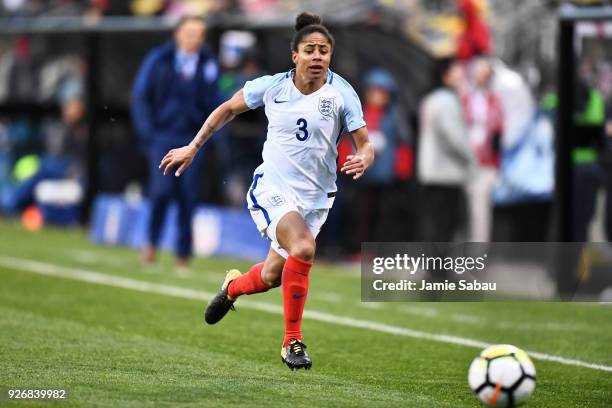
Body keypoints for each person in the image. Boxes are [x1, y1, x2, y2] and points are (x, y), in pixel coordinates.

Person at [159, 12, 374, 370]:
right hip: (272, 188)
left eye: (324, 50)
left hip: (315, 199)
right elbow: (226, 109)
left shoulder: (342, 93)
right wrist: (193, 147)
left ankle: (232, 288)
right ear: (295, 55)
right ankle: (293, 342)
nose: (317, 56)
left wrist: (364, 157)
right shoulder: (272, 86)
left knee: (273, 276)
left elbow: (364, 143)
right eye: (310, 50)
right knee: (304, 247)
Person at [132, 15, 220, 267]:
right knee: (161, 191)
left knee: (188, 195)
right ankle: (151, 243)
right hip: (162, 135)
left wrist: (208, 138)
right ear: (178, 35)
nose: (195, 39)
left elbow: (215, 102)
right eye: (190, 33)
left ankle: (183, 252)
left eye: (199, 34)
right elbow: (141, 96)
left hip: (193, 138)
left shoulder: (207, 63)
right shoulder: (158, 59)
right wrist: (148, 134)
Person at [417, 57, 475, 242]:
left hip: (433, 171)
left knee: (435, 221)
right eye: (457, 70)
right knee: (445, 223)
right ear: (446, 76)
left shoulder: (431, 99)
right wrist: (471, 159)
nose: (462, 75)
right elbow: (454, 138)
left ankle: (435, 266)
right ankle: (439, 268)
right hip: (446, 173)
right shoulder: (446, 101)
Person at [463, 57, 503, 242]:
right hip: (464, 161)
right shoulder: (464, 99)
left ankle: (477, 256)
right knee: (462, 211)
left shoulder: (495, 101)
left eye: (486, 74)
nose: (483, 78)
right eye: (480, 73)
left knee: (480, 212)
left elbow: (500, 130)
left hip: (486, 163)